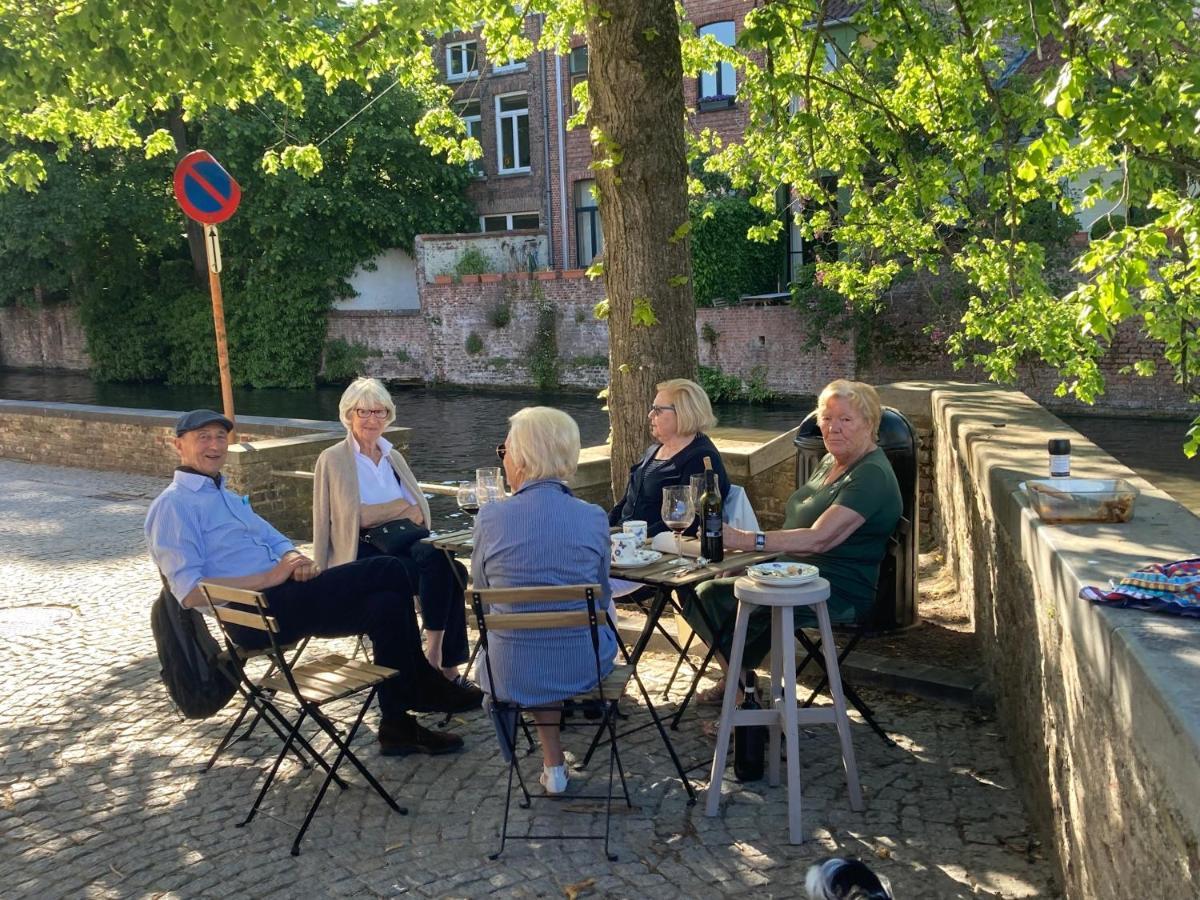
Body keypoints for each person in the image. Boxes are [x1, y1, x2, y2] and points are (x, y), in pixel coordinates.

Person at [146, 409, 483, 757]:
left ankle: (396, 725)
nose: (215, 445)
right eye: (203, 437)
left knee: (388, 604)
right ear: (178, 446)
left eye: (220, 437)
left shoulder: (227, 497)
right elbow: (188, 593)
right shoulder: (173, 506)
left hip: (290, 600)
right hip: (257, 617)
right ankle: (425, 683)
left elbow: (279, 542)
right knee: (389, 570)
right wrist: (271, 576)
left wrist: (296, 560)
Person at [683, 380, 902, 700]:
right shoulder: (832, 460)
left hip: (834, 587)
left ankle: (742, 693)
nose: (833, 428)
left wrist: (746, 541)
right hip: (791, 572)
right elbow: (798, 530)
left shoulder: (870, 475)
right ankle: (741, 683)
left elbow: (819, 540)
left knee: (716, 597)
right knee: (699, 589)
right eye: (826, 418)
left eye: (845, 419)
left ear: (869, 424)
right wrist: (749, 562)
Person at [470, 406, 616, 795]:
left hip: (510, 667)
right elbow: (601, 594)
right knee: (565, 628)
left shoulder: (490, 518)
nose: (504, 460)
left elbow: (482, 593)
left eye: (506, 450)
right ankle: (554, 762)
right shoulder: (593, 517)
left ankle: (553, 763)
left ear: (522, 457)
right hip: (582, 664)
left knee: (521, 635)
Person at [312, 377, 469, 681]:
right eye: (363, 412)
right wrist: (398, 507)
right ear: (348, 415)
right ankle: (443, 664)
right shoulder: (332, 459)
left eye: (379, 412)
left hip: (405, 541)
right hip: (364, 550)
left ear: (388, 416)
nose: (372, 419)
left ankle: (437, 658)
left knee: (449, 565)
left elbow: (421, 513)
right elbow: (352, 517)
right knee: (448, 568)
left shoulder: (392, 456)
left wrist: (391, 511)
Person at [609, 377, 730, 536]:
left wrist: (634, 539)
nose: (650, 414)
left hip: (658, 546)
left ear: (683, 412)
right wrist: (604, 527)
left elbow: (691, 519)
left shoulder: (702, 457)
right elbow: (626, 501)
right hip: (627, 539)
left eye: (658, 410)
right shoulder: (654, 450)